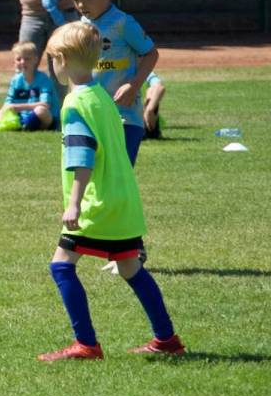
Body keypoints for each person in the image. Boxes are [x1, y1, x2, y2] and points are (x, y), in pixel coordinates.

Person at [37, 22, 185, 361]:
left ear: (61, 60)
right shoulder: (101, 96)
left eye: (51, 60)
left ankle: (86, 344)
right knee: (131, 268)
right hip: (123, 203)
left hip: (97, 204)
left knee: (61, 266)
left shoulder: (75, 103)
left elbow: (82, 156)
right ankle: (167, 339)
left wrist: (74, 203)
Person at [68, 0, 159, 166]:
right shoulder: (82, 26)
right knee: (93, 173)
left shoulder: (122, 23)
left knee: (120, 174)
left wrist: (133, 85)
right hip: (92, 114)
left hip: (124, 116)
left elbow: (151, 54)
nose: (81, 5)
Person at [0, 41, 59, 131]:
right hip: (21, 116)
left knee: (41, 110)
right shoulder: (15, 80)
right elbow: (8, 104)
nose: (22, 62)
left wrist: (16, 107)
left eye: (27, 59)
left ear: (36, 59)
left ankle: (24, 125)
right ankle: (22, 125)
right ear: (14, 62)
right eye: (18, 59)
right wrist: (0, 115)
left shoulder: (44, 79)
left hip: (45, 117)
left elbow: (45, 105)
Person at [142, 72, 166, 139]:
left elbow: (160, 88)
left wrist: (149, 110)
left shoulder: (143, 70)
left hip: (147, 122)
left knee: (151, 92)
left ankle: (150, 130)